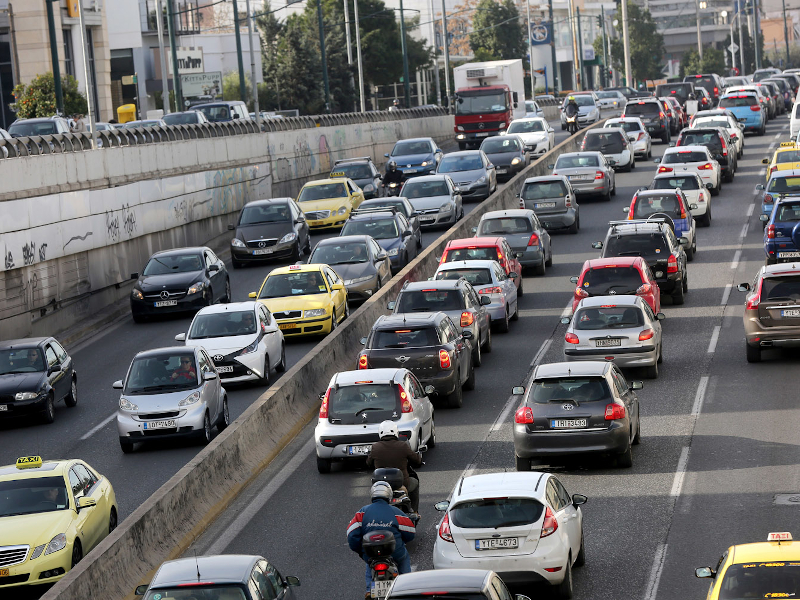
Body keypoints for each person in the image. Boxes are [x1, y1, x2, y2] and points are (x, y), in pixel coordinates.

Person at [347, 481, 415, 599]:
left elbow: (351, 535)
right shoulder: (396, 512)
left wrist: (361, 552)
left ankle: (369, 590)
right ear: (389, 495)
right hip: (395, 553)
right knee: (404, 559)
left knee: (370, 563)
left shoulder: (362, 513)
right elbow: (410, 533)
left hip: (371, 554)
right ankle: (406, 588)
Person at [367, 421, 423, 513]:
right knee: (415, 483)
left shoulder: (375, 447)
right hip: (402, 484)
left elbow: (368, 463)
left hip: (381, 485)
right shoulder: (403, 446)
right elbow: (416, 460)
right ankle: (414, 511)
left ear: (380, 433)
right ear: (396, 432)